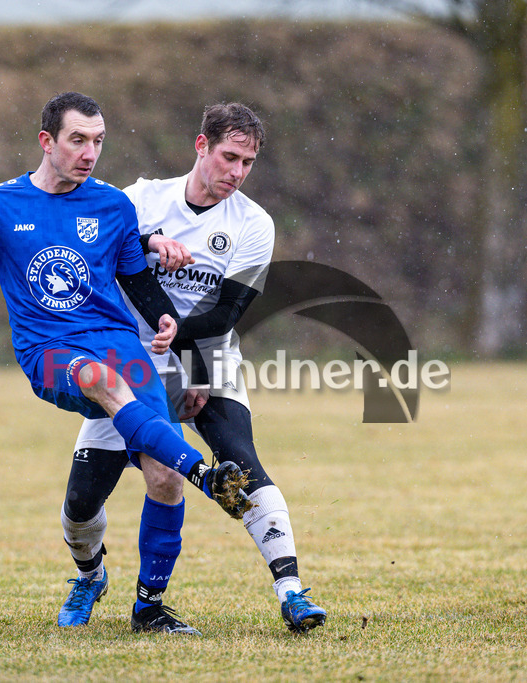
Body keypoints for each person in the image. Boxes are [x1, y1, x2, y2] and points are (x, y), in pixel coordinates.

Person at [0, 91, 252, 636]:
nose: (90, 152)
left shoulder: (113, 206)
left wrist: (166, 319)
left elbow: (135, 278)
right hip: (49, 349)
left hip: (119, 344)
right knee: (102, 393)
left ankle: (149, 607)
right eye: (78, 140)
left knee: (164, 478)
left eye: (98, 141)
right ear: (47, 141)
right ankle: (189, 489)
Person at [60, 103, 327, 634]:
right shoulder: (141, 199)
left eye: (248, 163)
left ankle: (290, 591)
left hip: (209, 354)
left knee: (240, 462)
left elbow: (225, 313)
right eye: (229, 157)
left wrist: (193, 369)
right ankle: (90, 575)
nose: (236, 172)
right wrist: (146, 242)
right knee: (81, 502)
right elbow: (90, 250)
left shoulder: (253, 224)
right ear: (201, 147)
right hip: (127, 360)